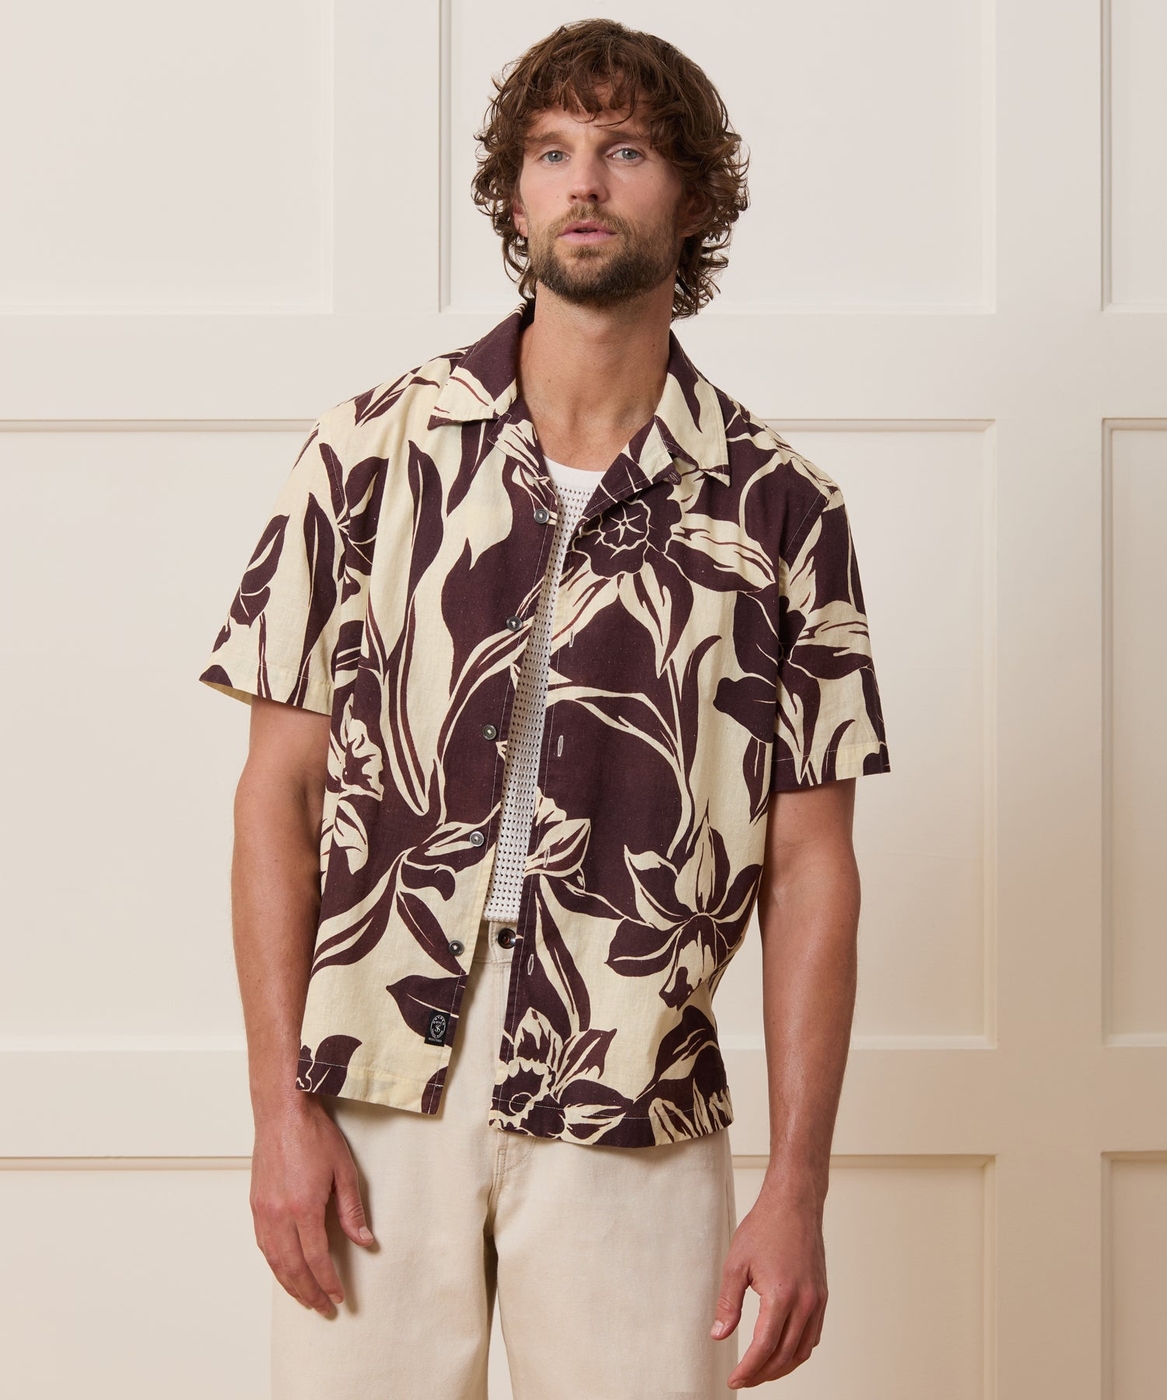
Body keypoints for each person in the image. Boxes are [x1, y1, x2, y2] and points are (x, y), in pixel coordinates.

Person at [198, 18, 890, 1399]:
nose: (584, 182)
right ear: (512, 194)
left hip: (638, 1090)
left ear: (690, 196)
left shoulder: (783, 511)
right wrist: (279, 1107)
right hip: (376, 1077)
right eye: (553, 151)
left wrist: (798, 1186)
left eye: (624, 152)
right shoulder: (368, 454)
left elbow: (814, 864)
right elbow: (277, 792)